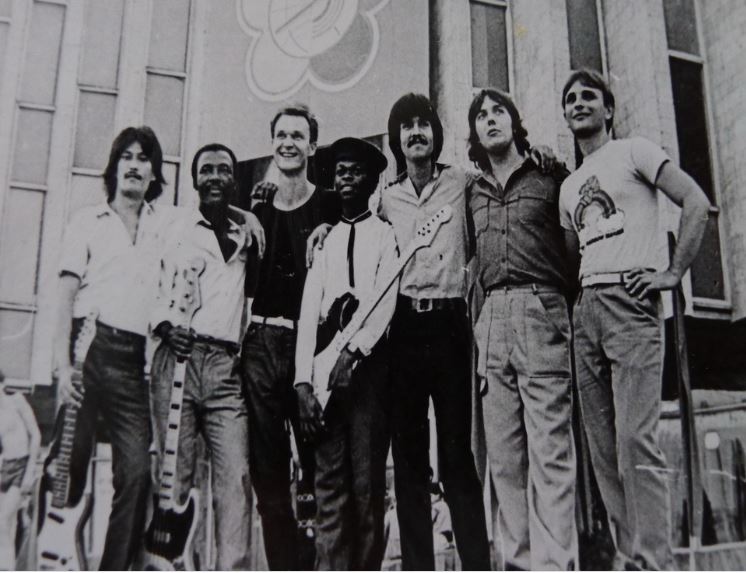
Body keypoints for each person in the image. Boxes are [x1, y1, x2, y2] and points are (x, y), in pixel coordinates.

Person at [559, 69, 710, 570]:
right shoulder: (570, 187)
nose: (579, 103)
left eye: (589, 96)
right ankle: (630, 557)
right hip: (588, 308)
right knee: (602, 448)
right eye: (571, 99)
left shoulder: (635, 151)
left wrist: (672, 274)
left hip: (632, 301)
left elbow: (696, 202)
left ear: (608, 109)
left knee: (634, 440)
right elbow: (572, 257)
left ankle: (655, 560)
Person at [467, 88, 578, 570]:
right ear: (474, 132)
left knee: (550, 450)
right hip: (492, 315)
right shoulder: (470, 191)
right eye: (481, 115)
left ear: (515, 122)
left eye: (499, 111)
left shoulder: (550, 175)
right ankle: (518, 562)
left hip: (541, 304)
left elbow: (575, 248)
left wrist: (553, 302)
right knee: (505, 458)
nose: (491, 119)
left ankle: (556, 565)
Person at [380, 93, 491, 571]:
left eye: (423, 123)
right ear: (397, 139)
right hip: (404, 328)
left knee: (456, 456)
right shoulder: (386, 198)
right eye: (406, 126)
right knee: (408, 460)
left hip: (449, 326)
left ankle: (477, 565)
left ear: (435, 133)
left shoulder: (462, 183)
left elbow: (500, 180)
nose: (415, 132)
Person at [52, 126, 170, 570]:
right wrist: (61, 367)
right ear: (114, 166)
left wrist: (249, 217)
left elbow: (211, 219)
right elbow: (64, 299)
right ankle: (52, 558)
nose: (134, 165)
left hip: (133, 361)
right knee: (68, 465)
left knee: (137, 473)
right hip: (87, 347)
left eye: (143, 158)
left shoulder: (165, 226)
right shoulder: (87, 221)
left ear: (154, 172)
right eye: (127, 156)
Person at [241, 104, 339, 570]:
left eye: (298, 136)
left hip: (311, 346)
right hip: (263, 342)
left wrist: (331, 231)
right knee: (269, 473)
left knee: (319, 466)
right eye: (281, 135)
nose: (288, 143)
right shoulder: (258, 205)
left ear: (312, 145)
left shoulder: (330, 205)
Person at [294, 137, 398, 570]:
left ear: (373, 181)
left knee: (367, 486)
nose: (348, 178)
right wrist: (303, 383)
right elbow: (307, 315)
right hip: (324, 376)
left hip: (368, 375)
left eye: (357, 171)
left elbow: (385, 300)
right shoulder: (325, 243)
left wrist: (353, 355)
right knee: (329, 485)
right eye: (341, 171)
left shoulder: (386, 236)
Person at [150, 143, 252, 570]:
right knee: (175, 477)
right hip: (178, 359)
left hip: (226, 367)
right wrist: (165, 326)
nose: (214, 177)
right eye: (206, 170)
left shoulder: (247, 235)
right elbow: (148, 282)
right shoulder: (174, 227)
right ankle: (174, 564)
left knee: (236, 478)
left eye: (223, 170)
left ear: (234, 180)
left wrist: (250, 217)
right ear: (194, 179)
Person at [0, 370, 40, 570]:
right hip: (4, 467)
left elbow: (36, 435)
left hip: (22, 466)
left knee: (3, 521)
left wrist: (30, 471)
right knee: (7, 526)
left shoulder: (17, 401)